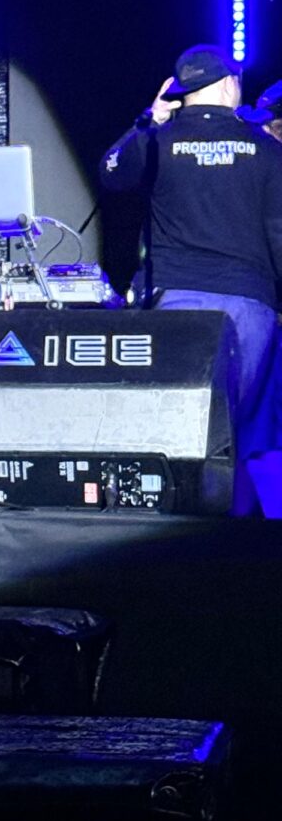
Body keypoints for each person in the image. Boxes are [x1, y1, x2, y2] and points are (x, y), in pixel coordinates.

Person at [99, 44, 282, 512]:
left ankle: (177, 527)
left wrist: (149, 118)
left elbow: (112, 173)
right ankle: (237, 532)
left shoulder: (159, 141)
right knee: (239, 429)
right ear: (227, 85)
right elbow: (279, 232)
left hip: (177, 301)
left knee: (180, 424)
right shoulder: (266, 149)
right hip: (248, 302)